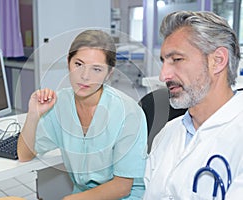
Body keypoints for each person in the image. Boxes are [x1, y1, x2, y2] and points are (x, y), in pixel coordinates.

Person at [17, 29, 147, 200]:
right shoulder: (59, 104)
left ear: (109, 73)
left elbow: (122, 187)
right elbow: (25, 155)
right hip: (83, 195)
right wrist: (33, 115)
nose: (85, 76)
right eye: (78, 64)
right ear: (68, 63)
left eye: (97, 69)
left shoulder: (128, 113)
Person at [143, 10, 243, 199]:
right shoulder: (167, 134)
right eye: (164, 61)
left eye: (177, 60)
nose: (163, 76)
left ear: (218, 61)